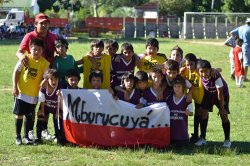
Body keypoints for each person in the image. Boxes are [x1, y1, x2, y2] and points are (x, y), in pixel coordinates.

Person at [12, 38, 50, 145]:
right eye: (34, 49)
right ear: (30, 49)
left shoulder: (44, 63)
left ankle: (26, 137)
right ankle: (18, 136)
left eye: (39, 49)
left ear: (42, 50)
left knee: (29, 117)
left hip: (34, 95)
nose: (36, 52)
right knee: (19, 115)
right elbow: (16, 72)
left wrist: (46, 80)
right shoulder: (25, 59)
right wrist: (15, 87)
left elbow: (47, 75)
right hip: (21, 93)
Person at [195, 59, 231, 148]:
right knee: (203, 113)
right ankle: (202, 138)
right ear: (198, 70)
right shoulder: (199, 72)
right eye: (201, 71)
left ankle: (227, 140)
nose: (204, 74)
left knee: (224, 115)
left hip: (221, 95)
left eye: (206, 71)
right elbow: (190, 61)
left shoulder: (215, 75)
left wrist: (222, 109)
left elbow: (220, 93)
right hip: (208, 94)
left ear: (210, 70)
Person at [180, 53, 205, 142]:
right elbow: (180, 81)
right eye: (187, 65)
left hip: (202, 97)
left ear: (196, 63)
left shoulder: (199, 70)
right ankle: (195, 135)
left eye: (191, 64)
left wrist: (214, 70)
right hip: (193, 97)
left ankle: (202, 136)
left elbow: (213, 69)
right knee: (196, 116)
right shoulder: (185, 71)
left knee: (201, 116)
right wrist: (180, 71)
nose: (189, 67)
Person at [166, 75, 193, 146]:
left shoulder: (187, 99)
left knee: (183, 146)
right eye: (175, 86)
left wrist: (188, 112)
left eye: (179, 86)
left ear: (183, 87)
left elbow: (191, 113)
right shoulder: (169, 99)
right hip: (171, 135)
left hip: (183, 135)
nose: (176, 88)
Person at [36, 69, 61, 143]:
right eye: (51, 79)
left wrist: (57, 113)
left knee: (57, 118)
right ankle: (39, 138)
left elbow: (59, 102)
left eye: (56, 79)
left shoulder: (60, 88)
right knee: (40, 115)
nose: (54, 81)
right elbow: (42, 101)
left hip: (55, 107)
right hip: (45, 106)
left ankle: (58, 137)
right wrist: (43, 111)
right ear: (47, 80)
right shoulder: (43, 88)